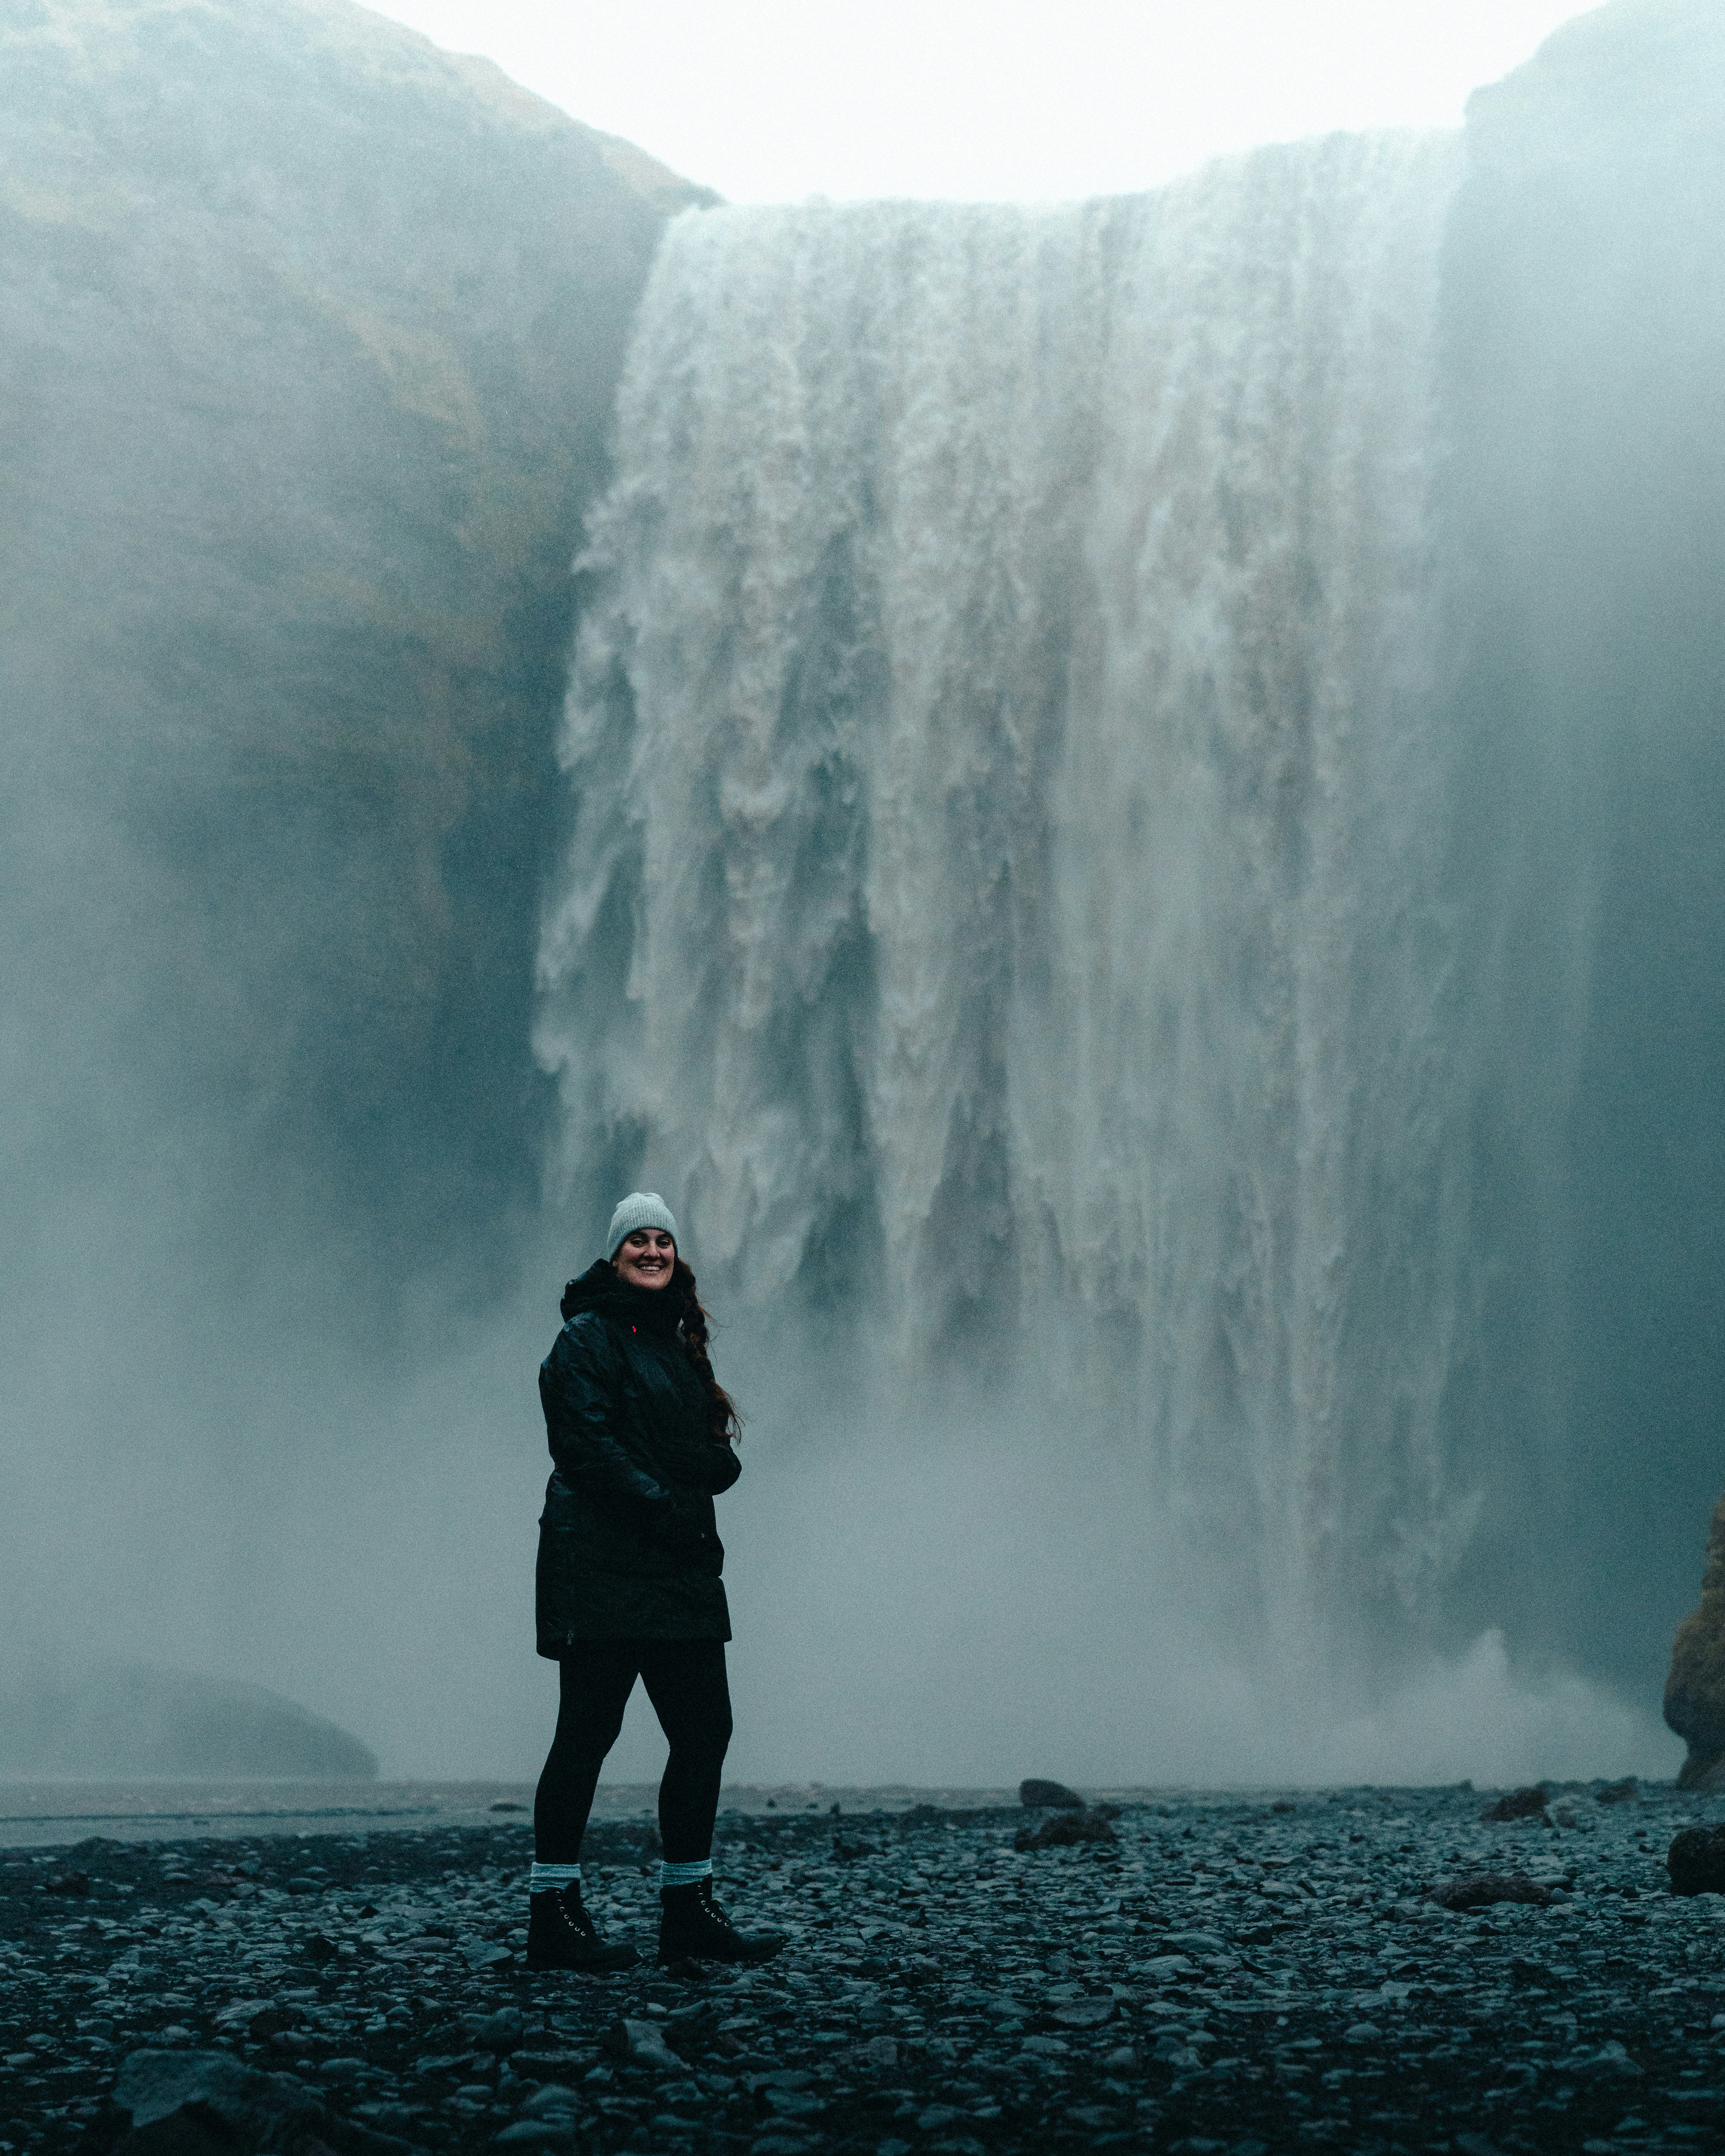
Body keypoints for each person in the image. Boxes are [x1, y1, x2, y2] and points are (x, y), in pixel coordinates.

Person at [527, 1191, 784, 1972]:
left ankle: (690, 1905)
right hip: (602, 1571)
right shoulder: (584, 1340)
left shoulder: (676, 1343)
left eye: (663, 1240)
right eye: (636, 1239)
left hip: (677, 1577)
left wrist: (713, 1464)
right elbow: (588, 1450)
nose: (651, 1250)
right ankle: (553, 1911)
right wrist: (670, 1503)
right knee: (586, 1737)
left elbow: (685, 1448)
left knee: (706, 1733)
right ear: (613, 1256)